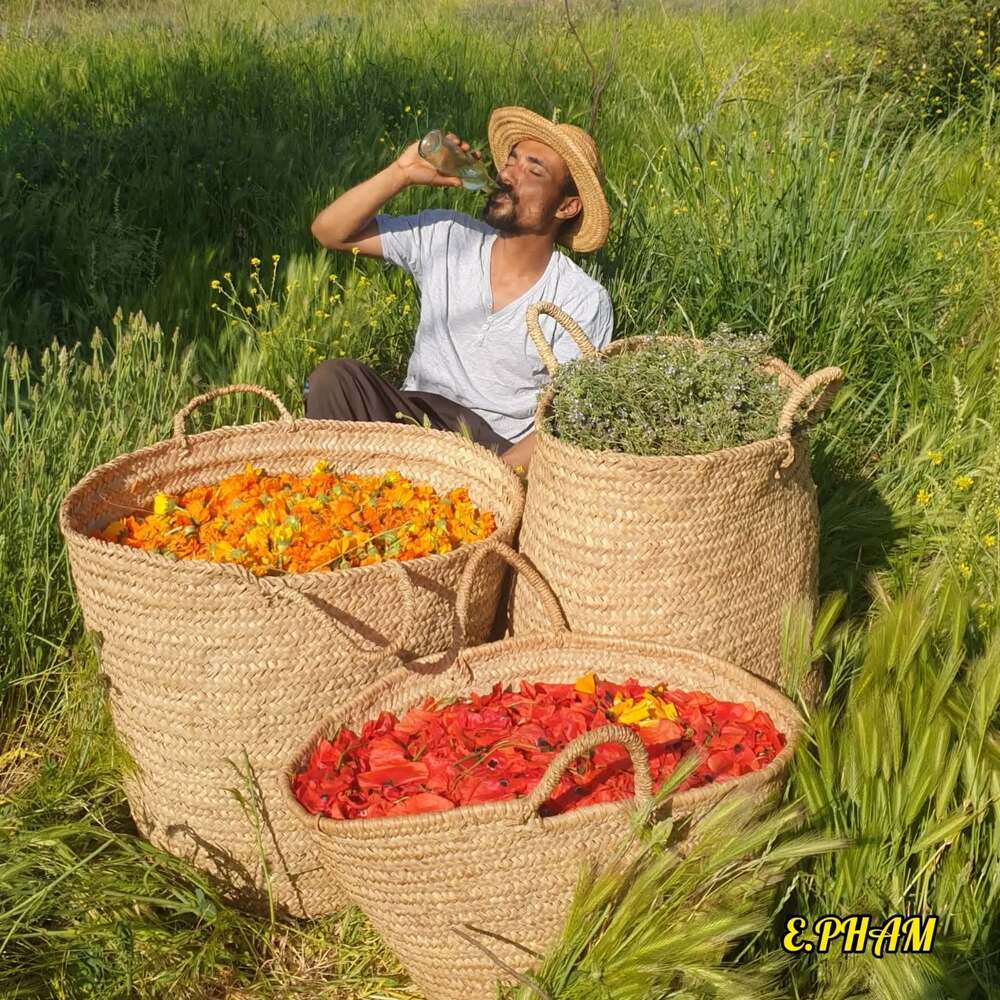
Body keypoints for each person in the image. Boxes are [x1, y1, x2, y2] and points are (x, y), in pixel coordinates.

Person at [305, 105, 613, 470]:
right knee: (334, 380)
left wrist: (492, 477)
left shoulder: (580, 298)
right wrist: (401, 174)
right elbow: (329, 232)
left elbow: (566, 418)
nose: (508, 175)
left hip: (492, 451)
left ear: (566, 206)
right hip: (413, 421)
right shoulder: (447, 234)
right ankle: (338, 505)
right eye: (511, 161)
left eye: (533, 170)